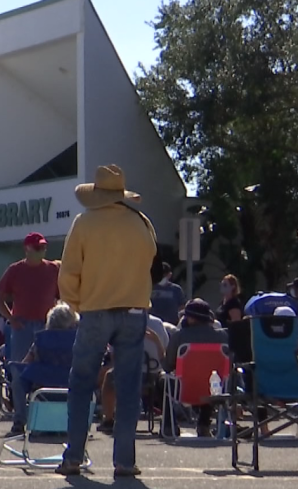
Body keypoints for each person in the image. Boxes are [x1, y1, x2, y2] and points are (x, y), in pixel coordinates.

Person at [57, 165, 157, 478]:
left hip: (96, 308)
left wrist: (76, 305)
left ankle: (73, 456)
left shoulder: (84, 222)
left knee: (82, 382)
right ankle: (124, 461)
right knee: (128, 386)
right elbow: (150, 258)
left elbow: (70, 271)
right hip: (134, 310)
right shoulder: (141, 222)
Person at [0, 232, 61, 437]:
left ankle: (47, 420)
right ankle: (19, 420)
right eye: (37, 248)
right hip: (22, 325)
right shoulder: (15, 270)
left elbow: (64, 296)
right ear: (27, 249)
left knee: (48, 372)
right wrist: (11, 318)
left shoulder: (53, 269)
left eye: (43, 247)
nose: (42, 251)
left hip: (46, 326)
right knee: (19, 371)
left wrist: (59, 320)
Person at [163, 299, 228, 438]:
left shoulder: (179, 336)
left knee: (164, 381)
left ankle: (169, 425)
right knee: (212, 379)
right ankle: (204, 424)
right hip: (213, 391)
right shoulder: (223, 336)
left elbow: (168, 365)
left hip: (184, 390)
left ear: (191, 319)